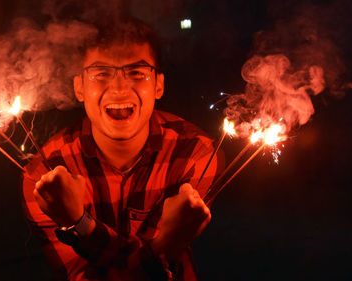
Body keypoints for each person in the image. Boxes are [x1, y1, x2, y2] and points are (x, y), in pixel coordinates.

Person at [21, 18, 220, 281]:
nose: (118, 88)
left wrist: (78, 224)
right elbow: (80, 276)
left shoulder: (196, 152)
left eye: (137, 73)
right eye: (101, 73)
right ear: (79, 87)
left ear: (158, 85)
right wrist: (165, 244)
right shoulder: (44, 174)